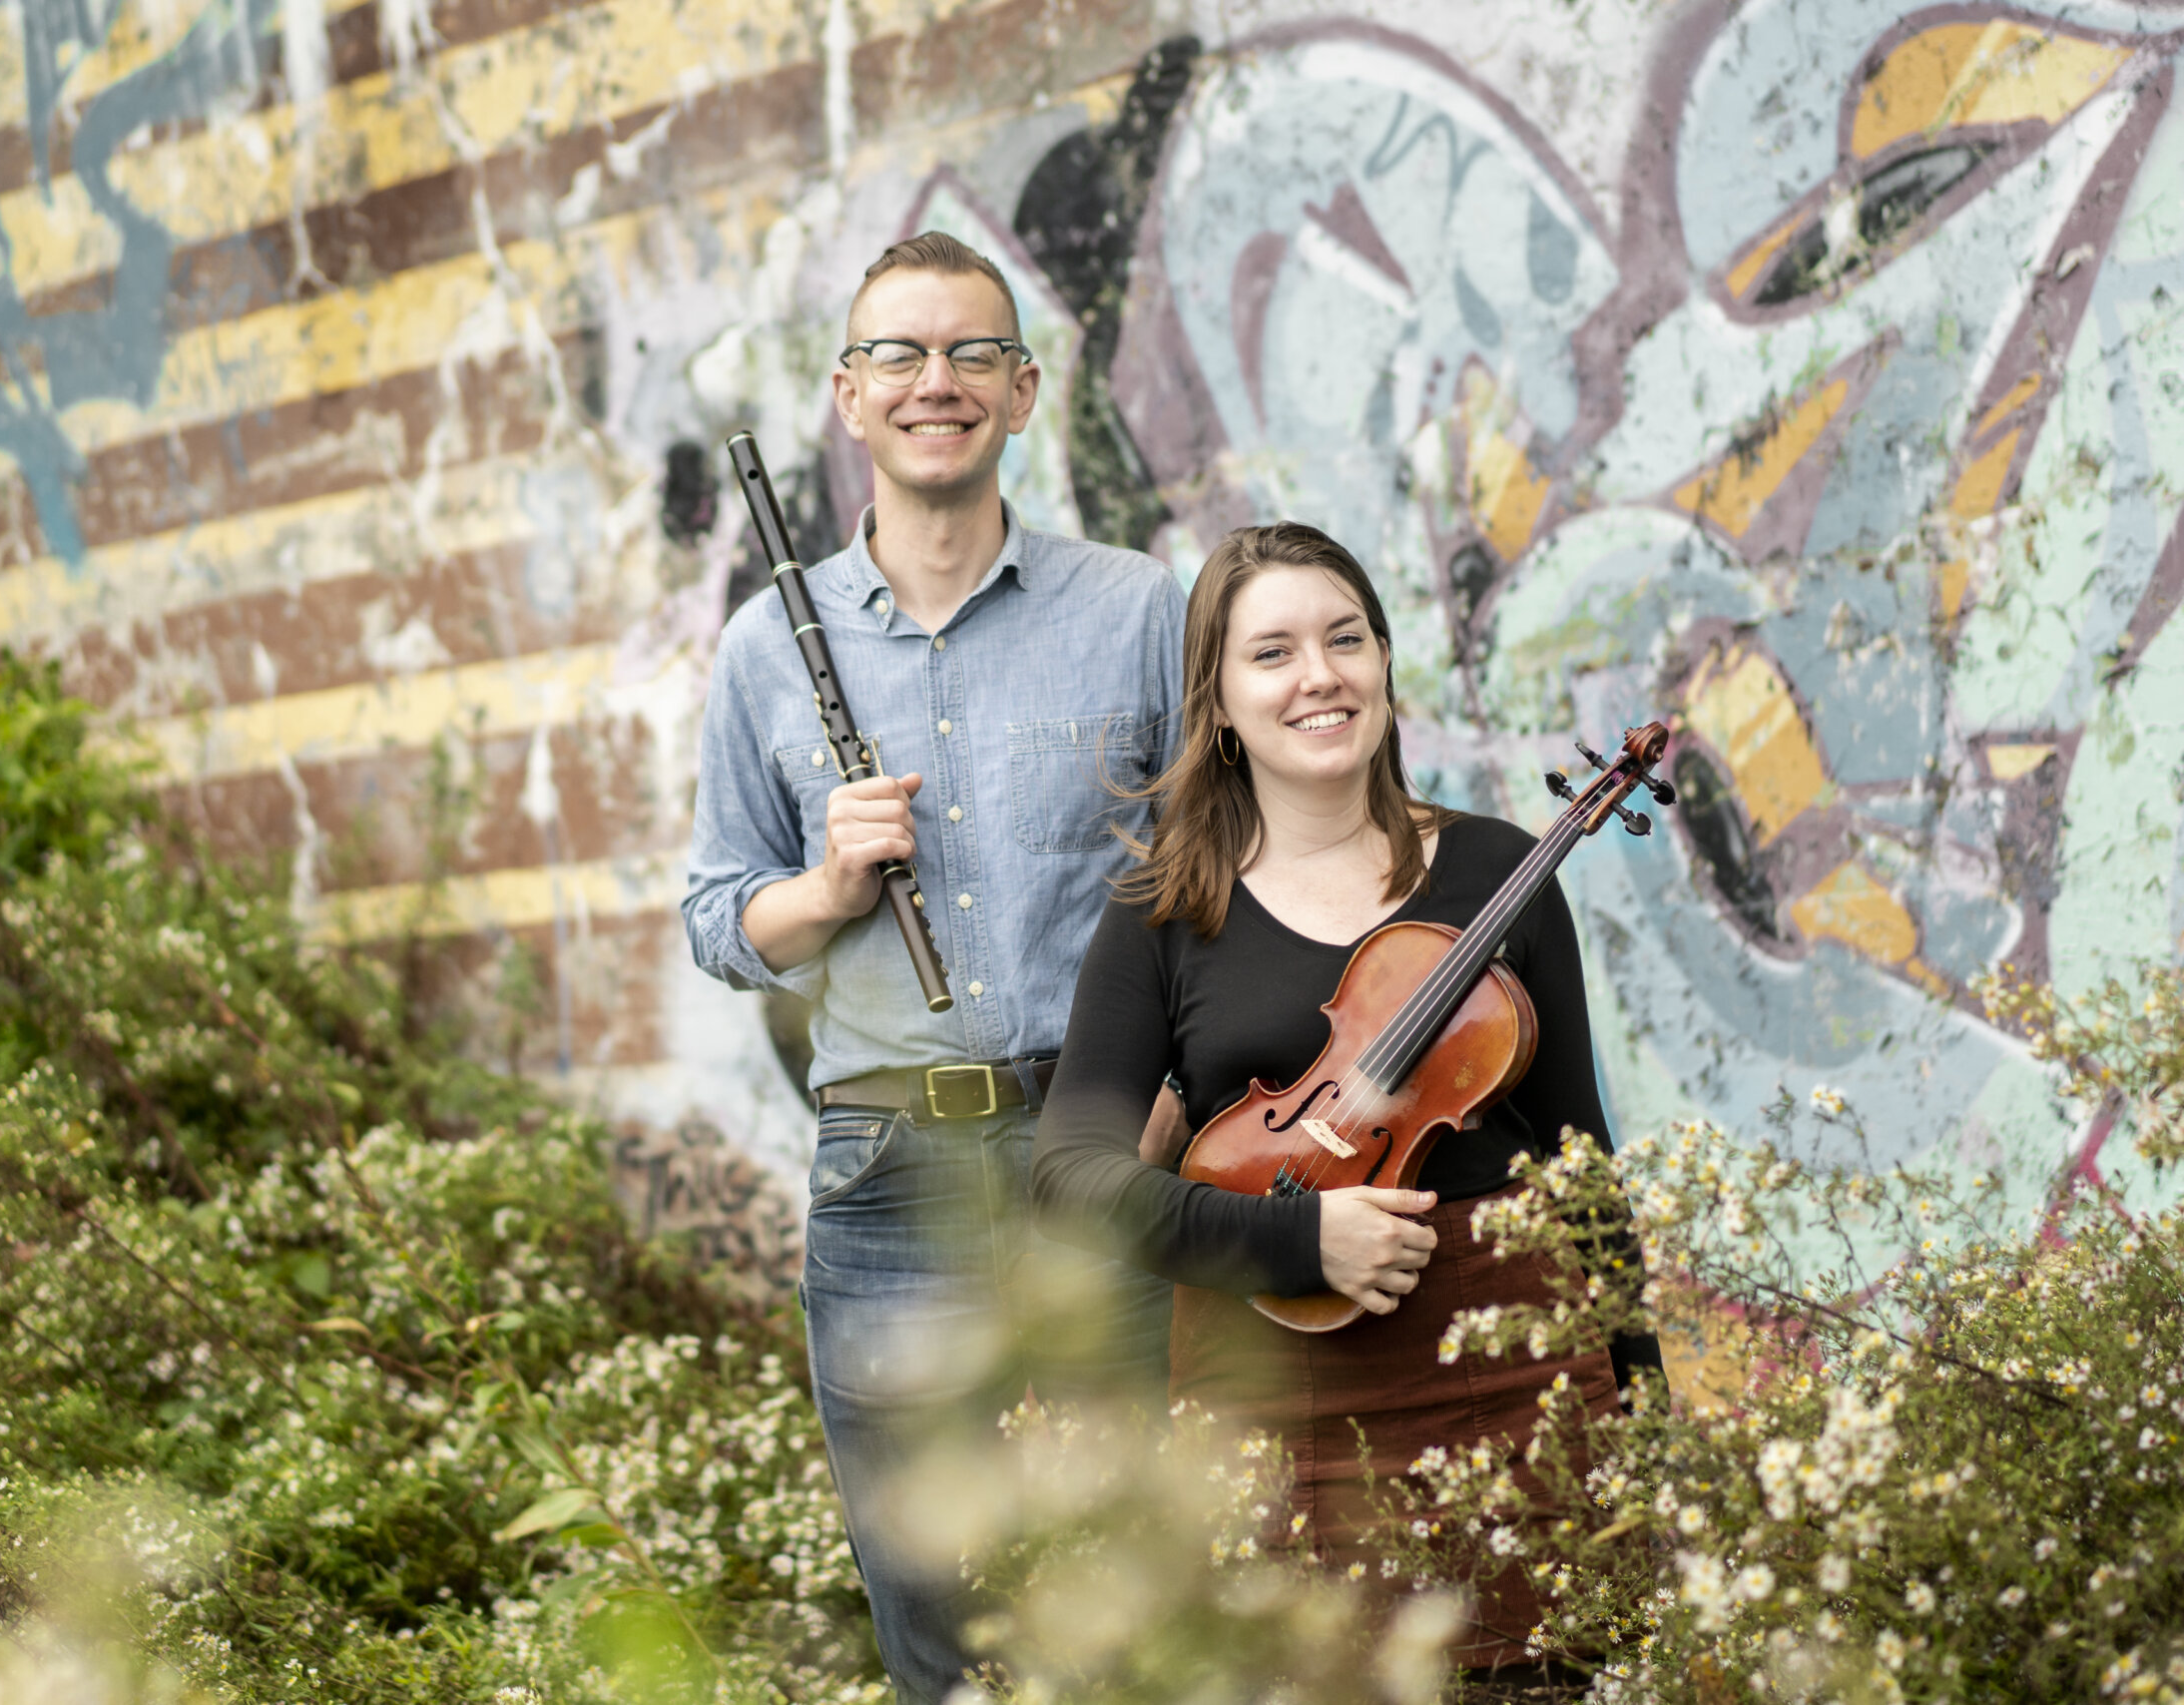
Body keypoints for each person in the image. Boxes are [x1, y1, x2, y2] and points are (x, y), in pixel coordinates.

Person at [683, 230, 1184, 1703]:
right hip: (887, 1168)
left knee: (1136, 1603)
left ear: (1024, 391)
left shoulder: (1137, 608)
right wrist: (827, 885)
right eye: (898, 354)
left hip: (1097, 1147)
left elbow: (1207, 884)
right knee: (941, 1632)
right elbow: (720, 920)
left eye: (972, 353)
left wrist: (1166, 1113)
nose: (935, 383)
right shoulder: (767, 647)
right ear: (849, 396)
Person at [1031, 521, 1663, 1668]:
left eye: (1344, 638)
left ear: (1382, 662)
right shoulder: (1165, 913)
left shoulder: (1497, 871)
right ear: (1217, 701)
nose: (1317, 675)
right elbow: (1070, 1176)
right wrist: (1292, 1237)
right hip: (1273, 1385)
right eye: (1270, 653)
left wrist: (1650, 1422)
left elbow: (1584, 1167)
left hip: (1513, 1366)